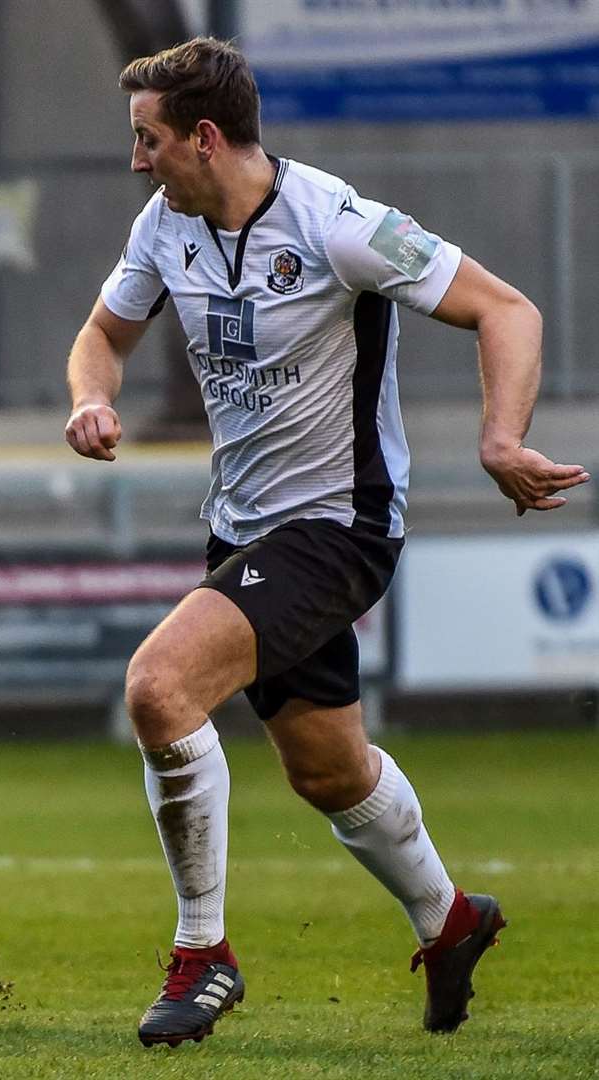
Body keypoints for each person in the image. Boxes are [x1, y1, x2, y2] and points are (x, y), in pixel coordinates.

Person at [62, 38, 589, 1047]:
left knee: (156, 688)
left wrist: (498, 436)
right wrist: (90, 398)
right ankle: (448, 920)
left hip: (337, 525)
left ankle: (200, 956)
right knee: (325, 771)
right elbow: (101, 333)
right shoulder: (161, 222)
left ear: (203, 140)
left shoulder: (336, 224)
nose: (137, 161)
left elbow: (503, 309)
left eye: (148, 140)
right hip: (241, 528)